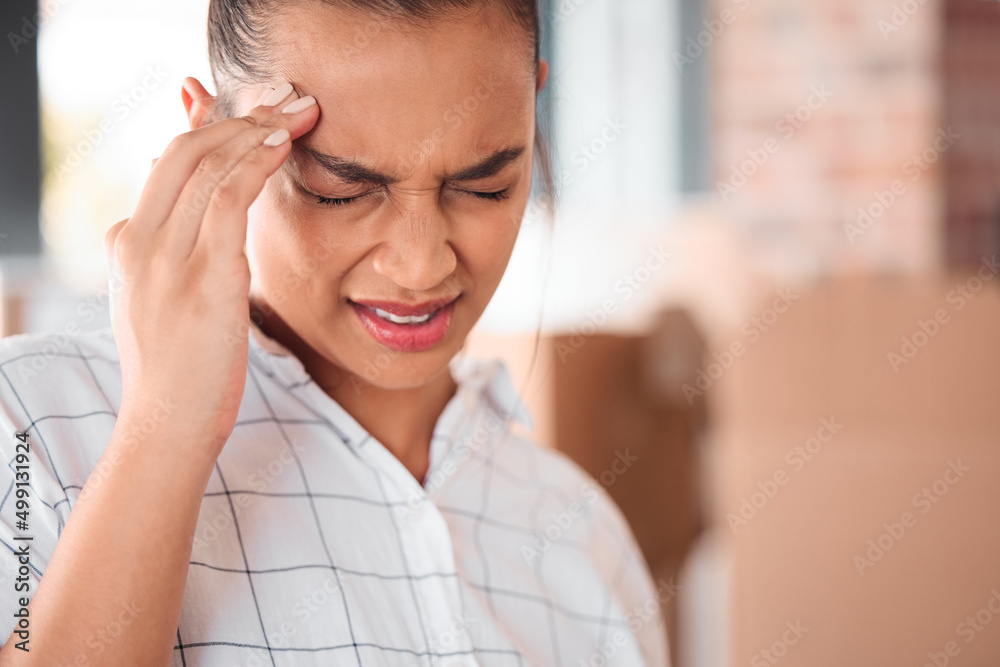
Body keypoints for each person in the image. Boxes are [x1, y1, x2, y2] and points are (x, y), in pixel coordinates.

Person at [0, 1, 670, 665]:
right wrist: (166, 429)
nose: (421, 264)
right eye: (338, 189)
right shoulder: (32, 433)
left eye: (485, 183)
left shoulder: (579, 530)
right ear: (210, 138)